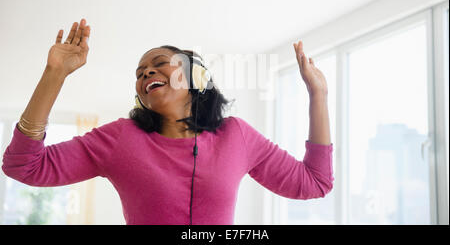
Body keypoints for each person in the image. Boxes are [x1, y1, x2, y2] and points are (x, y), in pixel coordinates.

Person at [2, 18, 334, 225]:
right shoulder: (121, 138)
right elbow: (23, 167)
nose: (147, 72)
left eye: (160, 64)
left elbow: (315, 182)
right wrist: (54, 74)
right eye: (140, 73)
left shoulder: (236, 136)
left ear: (196, 77)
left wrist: (318, 96)